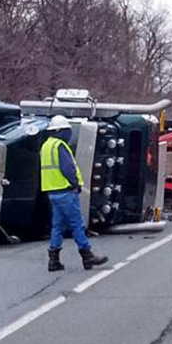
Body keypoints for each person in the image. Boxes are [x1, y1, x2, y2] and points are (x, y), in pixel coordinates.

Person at [40, 115, 108, 271]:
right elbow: (68, 168)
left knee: (57, 226)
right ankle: (87, 255)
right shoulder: (60, 145)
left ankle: (53, 260)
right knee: (77, 223)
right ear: (62, 131)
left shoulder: (46, 146)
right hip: (66, 191)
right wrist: (75, 184)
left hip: (52, 192)